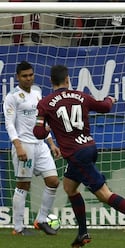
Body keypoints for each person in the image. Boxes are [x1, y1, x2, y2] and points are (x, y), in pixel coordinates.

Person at [32, 65, 125, 247]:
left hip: (76, 155)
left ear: (51, 81)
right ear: (67, 79)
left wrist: (47, 127)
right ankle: (83, 233)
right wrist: (110, 99)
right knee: (69, 187)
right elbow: (104, 107)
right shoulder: (80, 96)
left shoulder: (44, 103)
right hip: (88, 147)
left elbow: (38, 133)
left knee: (104, 195)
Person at [3, 61, 60, 236]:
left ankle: (41, 219)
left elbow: (41, 121)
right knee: (23, 185)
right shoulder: (11, 97)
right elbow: (9, 124)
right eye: (24, 76)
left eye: (31, 75)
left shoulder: (37, 92)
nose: (28, 78)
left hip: (40, 144)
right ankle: (18, 228)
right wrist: (18, 146)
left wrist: (51, 143)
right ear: (18, 77)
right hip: (24, 145)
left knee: (53, 181)